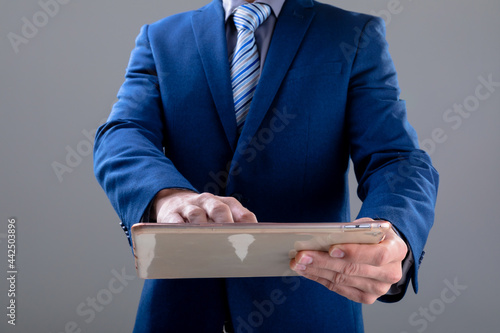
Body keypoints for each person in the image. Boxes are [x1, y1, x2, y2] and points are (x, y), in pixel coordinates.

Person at [93, 0, 439, 332]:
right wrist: (166, 195)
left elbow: (396, 158)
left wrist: (394, 229)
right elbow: (122, 134)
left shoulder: (352, 34)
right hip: (180, 312)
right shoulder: (161, 38)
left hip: (309, 309)